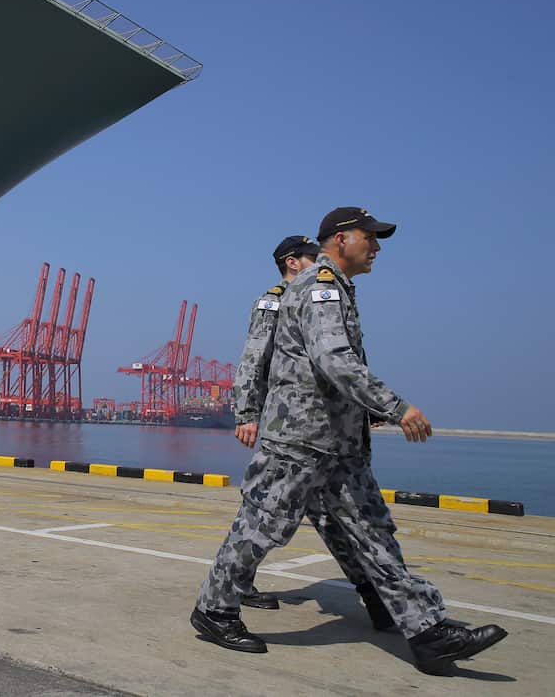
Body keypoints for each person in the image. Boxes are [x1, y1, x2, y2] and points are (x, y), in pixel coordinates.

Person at [191, 208, 507, 675]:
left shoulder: (335, 288)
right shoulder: (320, 288)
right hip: (300, 438)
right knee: (262, 526)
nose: (376, 247)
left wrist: (363, 414)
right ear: (340, 240)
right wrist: (395, 407)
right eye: (370, 238)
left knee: (373, 532)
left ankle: (425, 631)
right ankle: (215, 609)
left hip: (338, 442)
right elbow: (333, 359)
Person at [229, 235, 392, 629]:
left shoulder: (323, 293)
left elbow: (348, 357)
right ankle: (232, 588)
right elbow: (254, 359)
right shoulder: (275, 301)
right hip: (290, 427)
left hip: (328, 430)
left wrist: (365, 406)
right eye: (309, 256)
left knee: (337, 518)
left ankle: (377, 595)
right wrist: (246, 413)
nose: (318, 260)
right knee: (265, 513)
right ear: (291, 262)